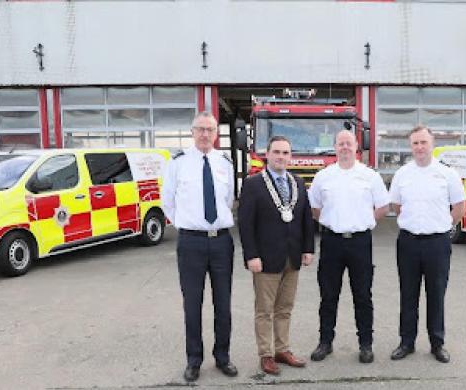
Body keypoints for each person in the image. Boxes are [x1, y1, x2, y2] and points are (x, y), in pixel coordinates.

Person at [162, 111, 238, 382]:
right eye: (200, 129)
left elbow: (227, 200)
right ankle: (194, 360)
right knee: (192, 304)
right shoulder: (178, 163)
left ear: (216, 133)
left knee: (223, 304)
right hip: (191, 242)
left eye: (210, 129)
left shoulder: (224, 162)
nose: (205, 134)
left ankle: (223, 357)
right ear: (192, 132)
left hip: (221, 241)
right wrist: (188, 223)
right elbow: (167, 201)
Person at [307, 130, 390, 364]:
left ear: (356, 147)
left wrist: (365, 221)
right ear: (335, 147)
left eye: (348, 143)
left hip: (360, 242)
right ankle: (325, 342)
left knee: (362, 295)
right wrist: (333, 220)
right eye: (340, 143)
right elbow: (314, 208)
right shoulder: (323, 176)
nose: (344, 147)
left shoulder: (369, 176)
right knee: (328, 295)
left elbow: (383, 206)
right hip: (332, 241)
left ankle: (365, 344)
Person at [387, 125, 466, 363]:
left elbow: (459, 207)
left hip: (437, 244)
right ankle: (406, 342)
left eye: (423, 142)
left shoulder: (447, 174)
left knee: (436, 294)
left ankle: (437, 343)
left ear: (432, 145)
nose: (419, 147)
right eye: (415, 143)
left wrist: (442, 225)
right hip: (409, 242)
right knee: (408, 294)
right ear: (410, 146)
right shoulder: (402, 174)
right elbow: (397, 206)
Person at [238, 135, 316, 375]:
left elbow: (305, 219)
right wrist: (251, 255)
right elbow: (245, 224)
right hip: (265, 259)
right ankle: (266, 354)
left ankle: (282, 349)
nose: (281, 156)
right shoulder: (253, 185)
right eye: (277, 152)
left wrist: (308, 248)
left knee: (285, 308)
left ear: (290, 156)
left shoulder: (297, 183)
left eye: (285, 153)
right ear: (268, 155)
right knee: (264, 310)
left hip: (292, 258)